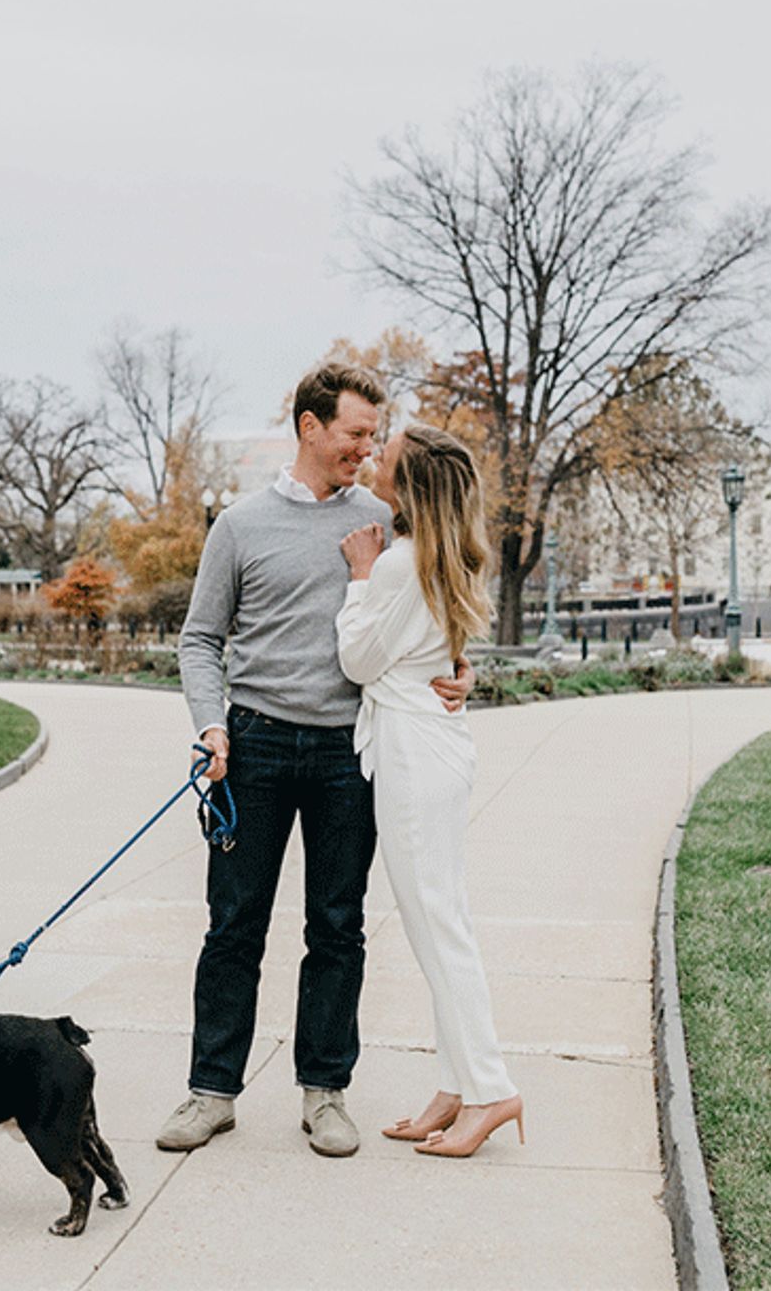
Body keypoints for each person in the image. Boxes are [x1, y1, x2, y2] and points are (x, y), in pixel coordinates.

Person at [158, 362, 473, 1159]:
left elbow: (438, 606)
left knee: (338, 929)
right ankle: (211, 1092)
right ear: (310, 427)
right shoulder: (239, 525)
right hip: (253, 744)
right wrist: (210, 726)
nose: (367, 452)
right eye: (355, 434)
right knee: (234, 927)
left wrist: (465, 669)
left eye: (374, 437)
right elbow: (200, 638)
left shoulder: (385, 522)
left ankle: (325, 1093)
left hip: (348, 751)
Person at [335, 424, 523, 1158]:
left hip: (414, 755)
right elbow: (440, 656)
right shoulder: (443, 559)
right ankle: (456, 1086)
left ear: (410, 486)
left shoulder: (396, 565)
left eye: (387, 456)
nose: (374, 457)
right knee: (441, 921)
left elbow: (357, 659)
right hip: (436, 746)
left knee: (438, 927)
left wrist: (357, 577)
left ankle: (489, 1090)